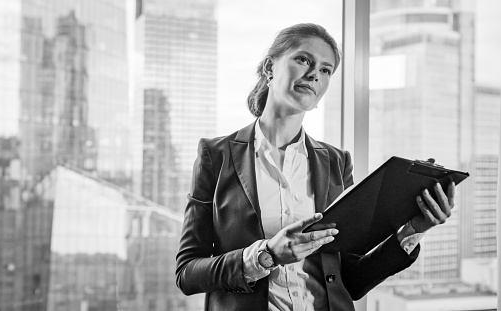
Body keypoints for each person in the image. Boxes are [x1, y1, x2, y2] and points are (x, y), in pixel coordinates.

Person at [175, 23, 455, 311]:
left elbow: (351, 279)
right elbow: (186, 273)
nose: (314, 75)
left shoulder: (336, 162)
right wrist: (265, 255)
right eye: (303, 59)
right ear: (270, 68)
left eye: (325, 70)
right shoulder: (216, 155)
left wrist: (413, 229)